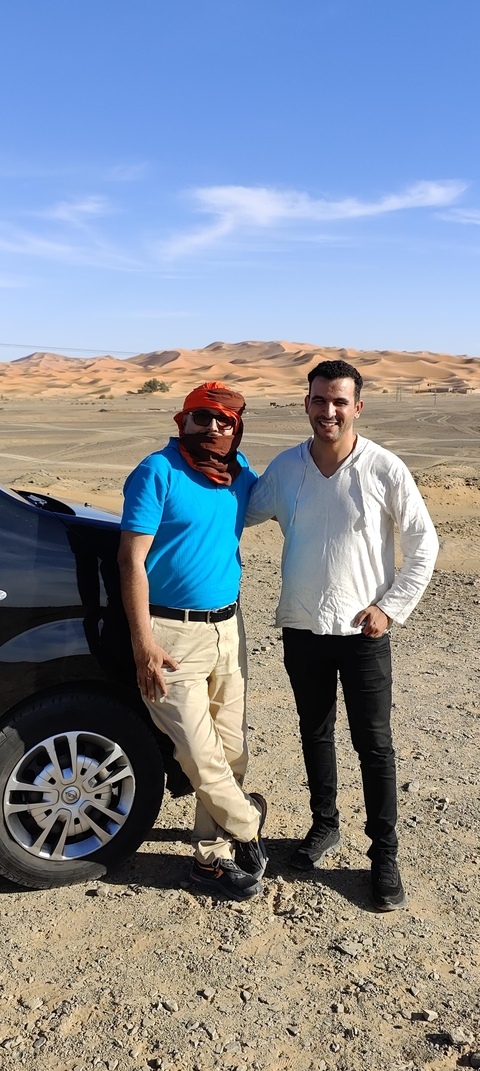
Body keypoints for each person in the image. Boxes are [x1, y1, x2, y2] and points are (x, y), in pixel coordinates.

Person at [246, 360, 438, 911]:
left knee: (374, 745)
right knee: (315, 732)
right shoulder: (286, 468)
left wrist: (390, 609)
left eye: (338, 401)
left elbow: (424, 544)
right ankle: (324, 825)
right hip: (303, 626)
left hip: (363, 633)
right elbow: (241, 511)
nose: (327, 411)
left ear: (357, 407)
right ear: (305, 403)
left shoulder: (384, 467)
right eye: (318, 400)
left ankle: (384, 856)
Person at [118, 381, 267, 902]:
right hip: (170, 636)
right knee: (200, 756)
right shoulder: (156, 471)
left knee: (232, 751)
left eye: (226, 421)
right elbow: (131, 560)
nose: (213, 428)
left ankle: (211, 859)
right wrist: (143, 643)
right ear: (182, 420)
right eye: (202, 417)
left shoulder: (238, 473)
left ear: (237, 429)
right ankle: (248, 823)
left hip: (228, 628)